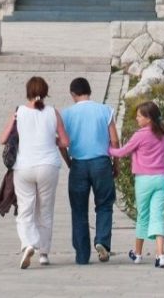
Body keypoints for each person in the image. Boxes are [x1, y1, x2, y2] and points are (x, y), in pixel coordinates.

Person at [0, 76, 69, 269]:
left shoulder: (19, 112)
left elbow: (3, 138)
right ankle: (44, 253)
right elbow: (65, 142)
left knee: (25, 209)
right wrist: (53, 141)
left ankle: (28, 244)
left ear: (27, 92)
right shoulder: (53, 113)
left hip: (24, 167)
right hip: (49, 166)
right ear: (46, 92)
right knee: (45, 210)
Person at [109, 101, 164, 268]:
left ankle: (137, 254)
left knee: (143, 216)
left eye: (139, 115)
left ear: (148, 118)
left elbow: (123, 152)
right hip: (161, 179)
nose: (137, 118)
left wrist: (107, 149)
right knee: (158, 215)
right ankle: (160, 255)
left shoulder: (140, 135)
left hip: (144, 180)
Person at [60, 77, 118, 265]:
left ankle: (82, 255)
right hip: (101, 163)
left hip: (78, 164)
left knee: (78, 209)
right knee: (105, 204)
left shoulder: (66, 114)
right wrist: (115, 164)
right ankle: (102, 241)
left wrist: (68, 161)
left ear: (73, 94)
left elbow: (61, 142)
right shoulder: (105, 110)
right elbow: (115, 141)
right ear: (90, 91)